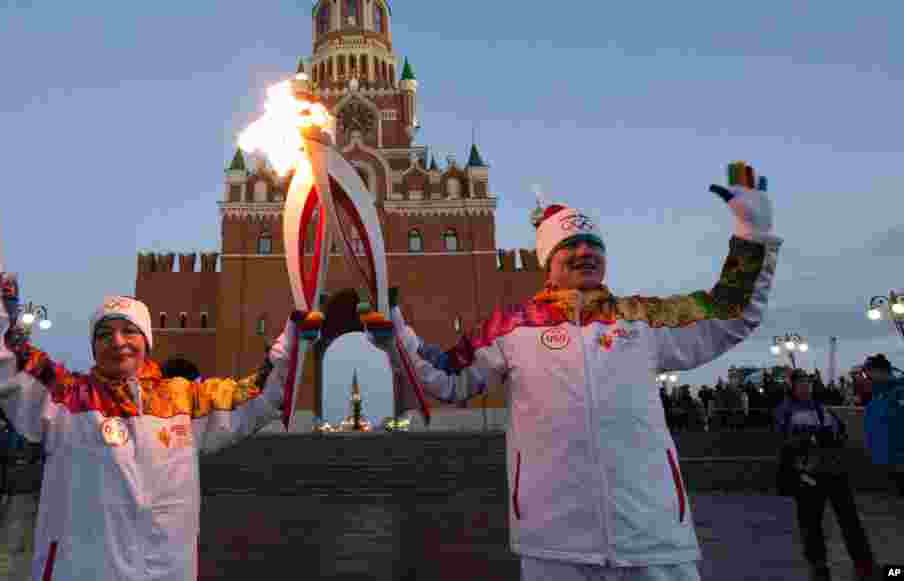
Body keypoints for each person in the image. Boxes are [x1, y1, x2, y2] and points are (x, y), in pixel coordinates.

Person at [374, 163, 780, 581]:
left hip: (652, 537)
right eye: (570, 245)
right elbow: (447, 377)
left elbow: (731, 313)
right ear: (547, 262)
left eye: (593, 244)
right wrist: (397, 340)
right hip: (555, 542)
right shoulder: (511, 327)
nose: (585, 251)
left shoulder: (641, 319)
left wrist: (753, 236)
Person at [0, 209, 292, 580]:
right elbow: (2, 362)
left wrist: (290, 348)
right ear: (94, 347)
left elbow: (258, 397)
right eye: (104, 335)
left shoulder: (185, 401)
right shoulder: (65, 398)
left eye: (128, 331)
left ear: (146, 340)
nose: (117, 342)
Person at [775, 369, 877, 580]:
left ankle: (864, 564)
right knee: (811, 524)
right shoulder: (785, 410)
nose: (806, 388)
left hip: (834, 471)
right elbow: (784, 440)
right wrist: (810, 439)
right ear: (792, 388)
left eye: (808, 384)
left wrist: (834, 437)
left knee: (850, 520)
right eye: (801, 385)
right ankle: (819, 567)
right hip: (808, 475)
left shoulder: (823, 409)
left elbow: (841, 431)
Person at [862, 354, 904, 497]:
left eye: (868, 373)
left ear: (880, 371)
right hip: (887, 461)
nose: (866, 377)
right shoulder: (877, 395)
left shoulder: (898, 392)